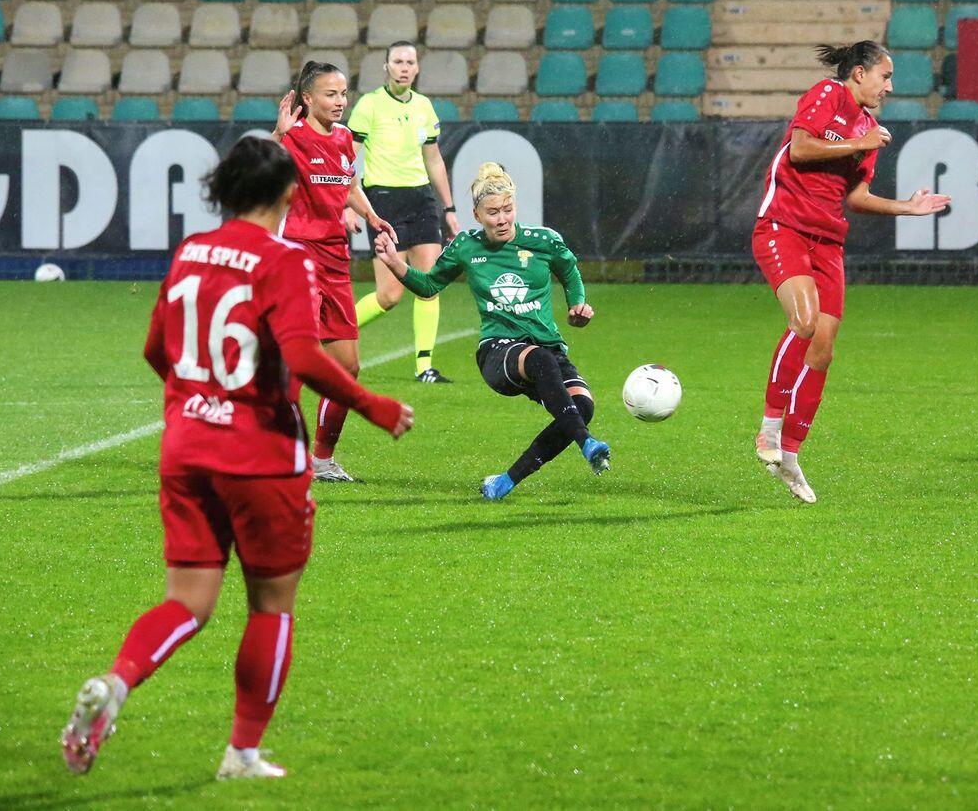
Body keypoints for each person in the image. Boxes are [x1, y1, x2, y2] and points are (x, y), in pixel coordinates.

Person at [60, 137, 413, 780]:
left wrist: (195, 407)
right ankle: (242, 753)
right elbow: (303, 356)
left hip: (187, 450)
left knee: (187, 602)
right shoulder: (286, 259)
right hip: (261, 456)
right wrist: (373, 405)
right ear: (289, 194)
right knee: (271, 606)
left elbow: (156, 350)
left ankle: (117, 682)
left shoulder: (192, 251)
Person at [752, 40, 950, 503]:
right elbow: (800, 149)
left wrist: (908, 208)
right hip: (784, 226)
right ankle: (769, 429)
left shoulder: (870, 129)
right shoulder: (828, 94)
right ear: (859, 73)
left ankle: (790, 457)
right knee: (803, 323)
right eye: (885, 76)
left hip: (829, 241)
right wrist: (861, 142)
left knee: (822, 351)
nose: (890, 86)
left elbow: (857, 198)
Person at [373, 163, 610, 500]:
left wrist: (578, 305)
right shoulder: (466, 246)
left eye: (507, 209)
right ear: (477, 215)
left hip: (547, 347)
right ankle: (586, 443)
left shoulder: (544, 241)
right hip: (498, 351)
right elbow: (428, 286)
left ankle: (504, 482)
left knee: (582, 408)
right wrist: (395, 264)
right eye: (493, 212)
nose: (502, 219)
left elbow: (569, 271)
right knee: (542, 363)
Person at [272, 61, 398, 482]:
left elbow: (348, 185)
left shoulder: (344, 138)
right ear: (308, 98)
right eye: (331, 94)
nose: (341, 101)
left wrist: (372, 216)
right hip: (298, 259)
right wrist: (279, 135)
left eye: (343, 93)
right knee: (298, 359)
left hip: (335, 261)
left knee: (347, 368)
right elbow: (260, 170)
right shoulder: (293, 137)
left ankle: (322, 460)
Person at [347, 41, 461, 384]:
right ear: (386, 67)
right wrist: (347, 205)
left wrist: (449, 208)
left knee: (429, 284)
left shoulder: (424, 106)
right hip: (382, 201)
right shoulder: (369, 105)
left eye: (410, 62)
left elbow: (434, 160)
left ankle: (425, 367)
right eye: (397, 61)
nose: (404, 67)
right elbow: (347, 159)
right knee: (389, 295)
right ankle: (332, 332)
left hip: (421, 199)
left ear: (417, 68)